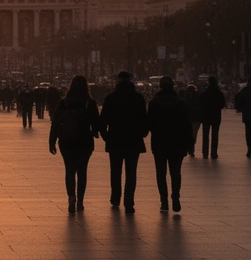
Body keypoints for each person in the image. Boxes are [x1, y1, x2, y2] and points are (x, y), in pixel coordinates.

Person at [49, 75, 99, 213]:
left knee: (69, 170)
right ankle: (81, 201)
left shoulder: (63, 103)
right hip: (84, 141)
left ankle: (71, 197)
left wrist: (52, 141)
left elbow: (55, 123)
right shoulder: (89, 103)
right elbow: (96, 122)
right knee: (82, 171)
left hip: (66, 141)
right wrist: (96, 132)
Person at [101, 71, 148, 213]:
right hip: (133, 140)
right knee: (131, 172)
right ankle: (129, 201)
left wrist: (105, 136)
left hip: (115, 139)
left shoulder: (111, 98)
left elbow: (103, 120)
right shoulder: (138, 98)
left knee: (115, 171)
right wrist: (142, 133)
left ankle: (115, 197)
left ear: (118, 81)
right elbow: (144, 119)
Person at [148, 76, 192, 213]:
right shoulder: (181, 103)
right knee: (175, 172)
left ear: (160, 87)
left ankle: (164, 201)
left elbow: (149, 123)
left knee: (161, 173)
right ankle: (175, 196)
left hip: (159, 142)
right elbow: (187, 124)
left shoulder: (154, 103)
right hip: (177, 142)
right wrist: (189, 143)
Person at [199, 77, 225, 159]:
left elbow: (201, 104)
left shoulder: (205, 93)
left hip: (206, 116)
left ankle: (205, 153)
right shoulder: (219, 93)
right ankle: (214, 153)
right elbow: (222, 104)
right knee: (215, 135)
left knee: (205, 135)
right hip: (216, 115)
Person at [183, 83, 202, 157]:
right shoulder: (199, 96)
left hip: (188, 118)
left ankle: (190, 148)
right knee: (194, 134)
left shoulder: (185, 98)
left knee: (188, 133)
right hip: (197, 118)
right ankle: (191, 149)